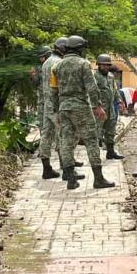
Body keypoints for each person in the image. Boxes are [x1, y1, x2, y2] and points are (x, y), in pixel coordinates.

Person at [51, 35, 115, 190]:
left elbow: (54, 91)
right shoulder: (83, 64)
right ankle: (98, 179)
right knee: (91, 141)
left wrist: (56, 111)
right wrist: (97, 106)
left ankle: (71, 179)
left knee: (66, 142)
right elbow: (92, 88)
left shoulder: (57, 67)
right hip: (81, 107)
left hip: (64, 108)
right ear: (79, 49)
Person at [38, 38, 84, 181]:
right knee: (64, 136)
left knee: (46, 135)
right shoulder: (59, 62)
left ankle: (47, 168)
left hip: (47, 104)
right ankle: (67, 170)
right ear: (63, 48)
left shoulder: (46, 62)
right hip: (57, 104)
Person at [94, 54, 125, 160]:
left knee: (110, 131)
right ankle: (95, 155)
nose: (106, 67)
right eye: (103, 65)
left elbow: (114, 90)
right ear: (99, 65)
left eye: (107, 65)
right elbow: (91, 93)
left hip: (111, 108)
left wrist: (119, 101)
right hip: (99, 109)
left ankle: (110, 152)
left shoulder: (111, 76)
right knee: (97, 131)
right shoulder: (94, 76)